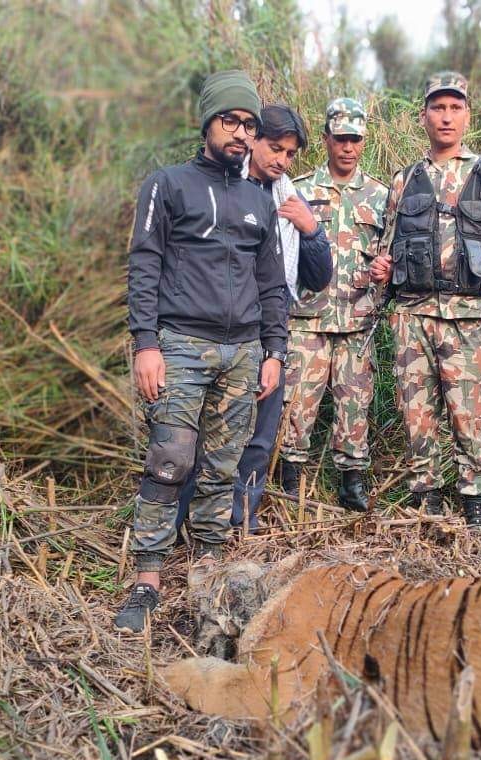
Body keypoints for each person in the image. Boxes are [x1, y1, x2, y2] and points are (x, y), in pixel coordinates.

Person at [115, 70, 289, 633]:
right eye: (230, 121)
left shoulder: (258, 200)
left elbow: (272, 284)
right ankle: (147, 577)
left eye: (249, 125)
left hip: (242, 352)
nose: (240, 133)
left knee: (222, 466)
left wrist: (273, 351)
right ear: (208, 123)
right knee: (170, 460)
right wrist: (146, 344)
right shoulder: (167, 185)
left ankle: (210, 563)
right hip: (181, 345)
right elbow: (145, 264)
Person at [370, 72, 481, 531]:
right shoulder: (405, 180)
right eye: (438, 107)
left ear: (467, 116)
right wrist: (381, 268)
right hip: (412, 316)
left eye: (455, 108)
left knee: (469, 413)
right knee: (416, 413)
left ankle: (476, 507)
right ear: (424, 116)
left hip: (470, 319)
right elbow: (387, 247)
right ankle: (427, 501)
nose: (446, 116)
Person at [176, 103, 334, 533]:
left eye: (289, 154)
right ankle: (181, 526)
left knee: (259, 438)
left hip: (269, 327)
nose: (281, 161)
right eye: (275, 148)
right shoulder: (224, 186)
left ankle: (240, 524)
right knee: (201, 435)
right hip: (214, 328)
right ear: (253, 139)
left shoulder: (288, 197)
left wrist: (312, 231)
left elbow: (318, 278)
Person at [280, 98, 390, 511]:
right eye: (340, 138)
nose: (347, 147)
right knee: (296, 405)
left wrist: (385, 267)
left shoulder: (381, 195)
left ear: (364, 141)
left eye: (355, 139)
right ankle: (289, 484)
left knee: (354, 406)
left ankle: (351, 485)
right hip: (307, 318)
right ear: (325, 139)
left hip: (358, 318)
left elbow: (390, 251)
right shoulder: (300, 190)